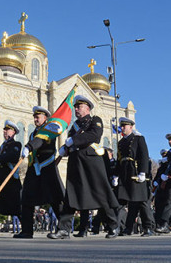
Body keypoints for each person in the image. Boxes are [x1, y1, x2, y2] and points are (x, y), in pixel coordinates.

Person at [48, 95, 119, 239]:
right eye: (75, 107)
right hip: (75, 162)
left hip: (91, 161)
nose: (76, 109)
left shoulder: (95, 120)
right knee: (71, 195)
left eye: (79, 107)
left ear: (87, 108)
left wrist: (73, 140)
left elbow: (94, 136)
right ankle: (63, 229)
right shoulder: (74, 127)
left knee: (101, 193)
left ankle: (113, 225)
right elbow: (70, 142)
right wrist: (65, 149)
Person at [15, 106, 65, 239]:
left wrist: (29, 146)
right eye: (34, 117)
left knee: (55, 199)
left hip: (47, 168)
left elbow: (41, 141)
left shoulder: (49, 129)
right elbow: (35, 140)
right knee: (26, 198)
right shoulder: (33, 133)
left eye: (38, 117)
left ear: (45, 118)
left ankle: (64, 229)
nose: (35, 119)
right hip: (34, 168)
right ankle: (26, 231)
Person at [114, 117, 155, 237]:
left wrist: (143, 172)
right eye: (121, 126)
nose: (122, 128)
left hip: (136, 172)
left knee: (141, 201)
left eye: (124, 126)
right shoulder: (121, 142)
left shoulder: (138, 139)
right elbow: (119, 160)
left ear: (131, 127)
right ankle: (126, 228)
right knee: (128, 202)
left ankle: (148, 227)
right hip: (125, 172)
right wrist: (116, 175)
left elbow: (144, 155)